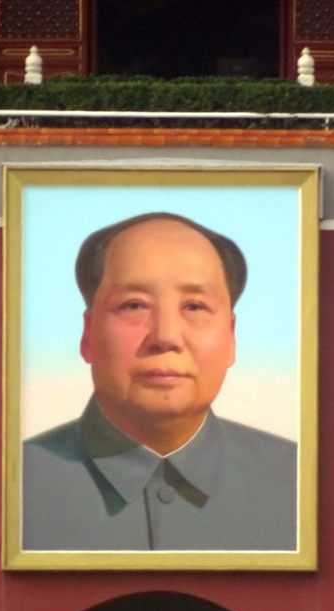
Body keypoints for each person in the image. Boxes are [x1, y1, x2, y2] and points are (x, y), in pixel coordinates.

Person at [22, 212, 297, 551]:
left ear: (231, 337)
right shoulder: (15, 483)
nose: (166, 337)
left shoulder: (300, 483)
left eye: (194, 307)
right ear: (88, 334)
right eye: (134, 305)